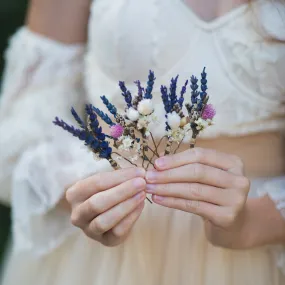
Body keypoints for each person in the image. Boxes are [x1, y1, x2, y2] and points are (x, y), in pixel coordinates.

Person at [0, 0, 285, 284]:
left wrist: (251, 224)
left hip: (259, 248)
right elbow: (23, 126)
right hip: (100, 255)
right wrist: (79, 191)